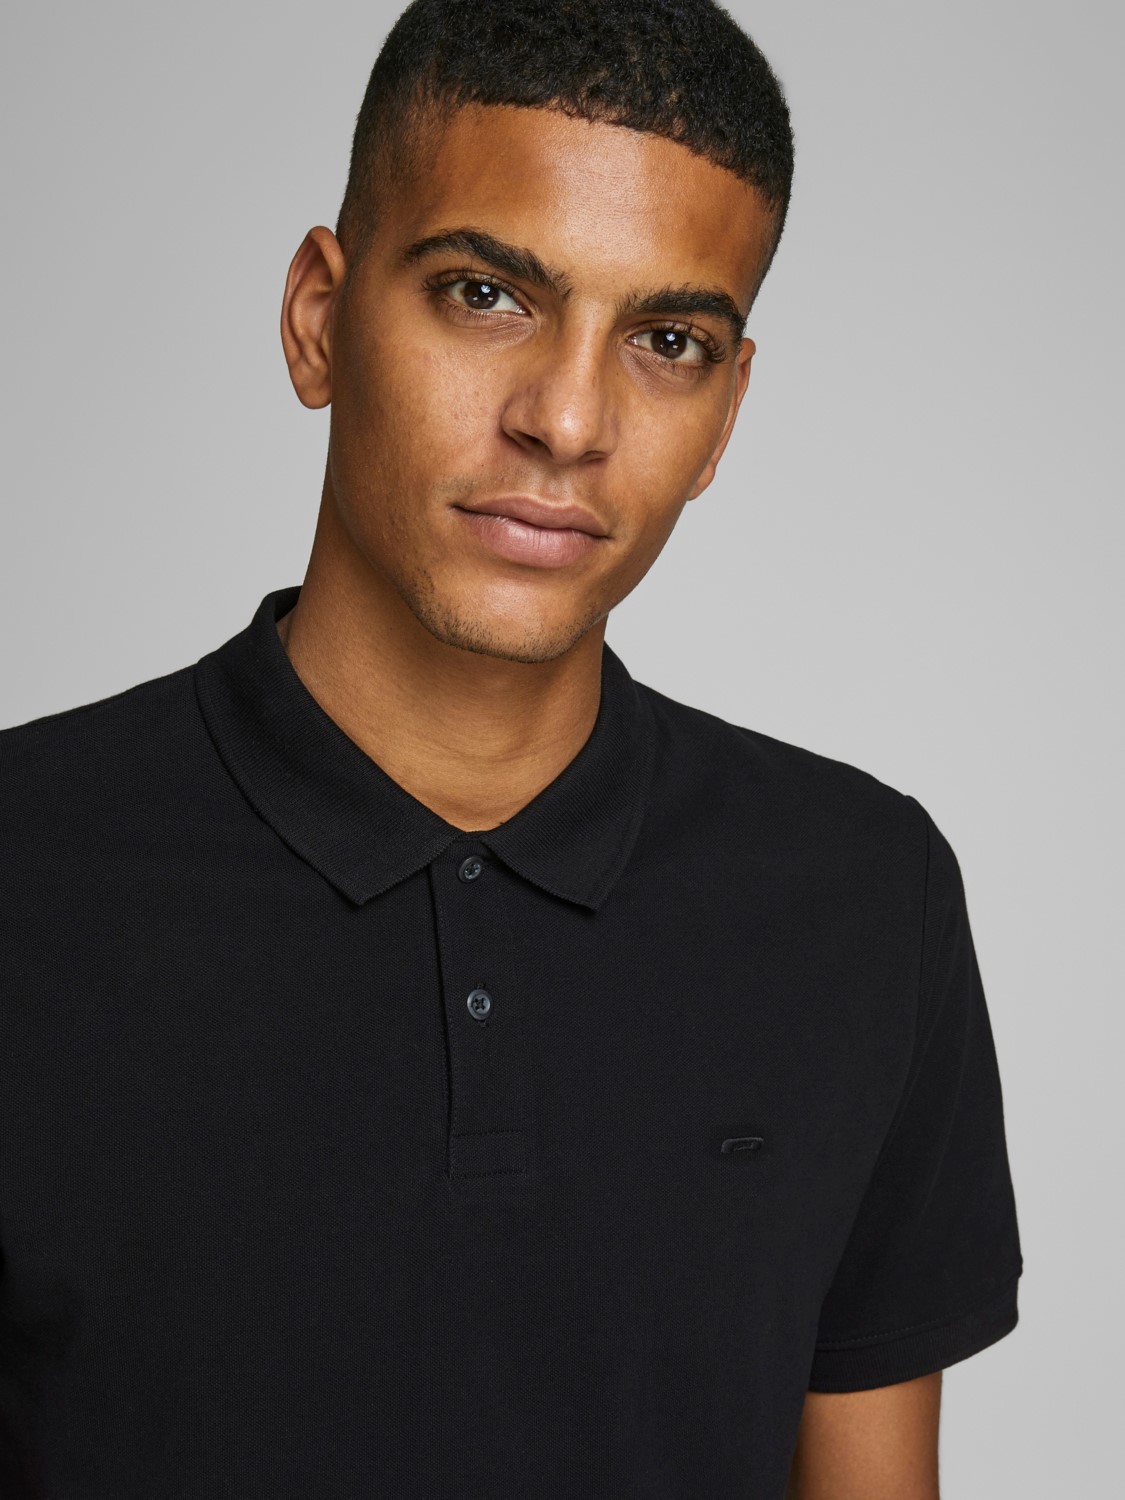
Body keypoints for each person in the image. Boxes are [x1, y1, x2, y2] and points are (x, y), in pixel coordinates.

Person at [0, 1, 1023, 1495]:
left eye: (667, 341)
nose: (567, 419)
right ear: (317, 318)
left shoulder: (865, 896)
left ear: (726, 412)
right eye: (486, 294)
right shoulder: (27, 872)